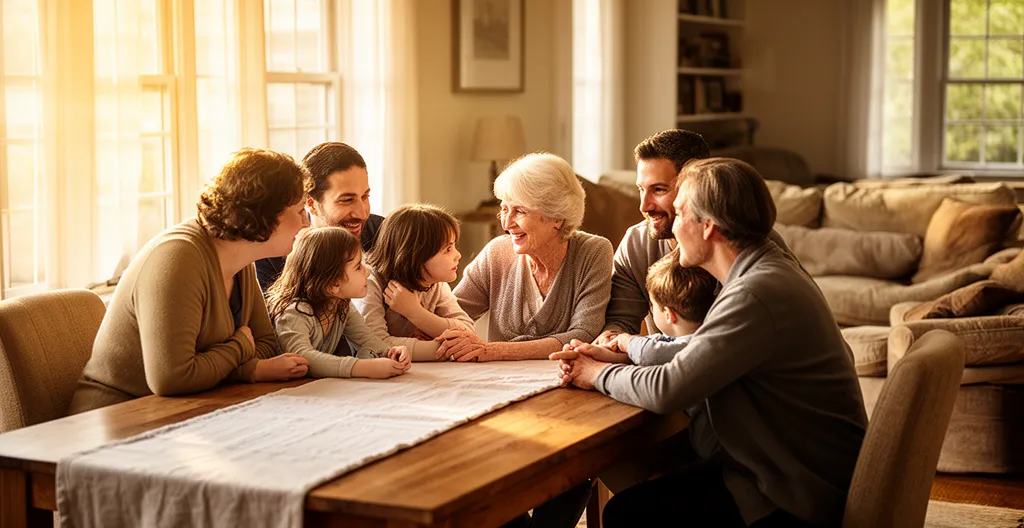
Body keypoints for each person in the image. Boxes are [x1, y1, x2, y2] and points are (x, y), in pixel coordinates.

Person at [553, 158, 867, 528]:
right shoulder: (762, 271)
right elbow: (697, 352)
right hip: (790, 470)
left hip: (798, 496)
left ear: (708, 227)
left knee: (629, 511)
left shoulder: (755, 293)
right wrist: (622, 352)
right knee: (640, 492)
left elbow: (668, 389)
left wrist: (594, 373)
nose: (673, 225)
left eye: (680, 213)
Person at [69, 148, 312, 414]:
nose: (306, 222)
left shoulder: (241, 260)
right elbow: (173, 378)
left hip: (188, 408)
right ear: (266, 214)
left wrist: (243, 367)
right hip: (119, 415)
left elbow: (265, 345)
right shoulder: (178, 258)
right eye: (300, 210)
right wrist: (242, 346)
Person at [439, 152, 614, 362]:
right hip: (499, 377)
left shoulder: (593, 252)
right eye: (504, 209)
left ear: (557, 217)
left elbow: (583, 334)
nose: (507, 224)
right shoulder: (496, 253)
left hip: (565, 375)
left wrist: (492, 351)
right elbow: (451, 315)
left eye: (520, 211)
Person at [594, 129, 710, 347]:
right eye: (641, 189)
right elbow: (620, 321)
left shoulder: (735, 246)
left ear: (695, 187)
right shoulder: (637, 243)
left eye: (658, 190)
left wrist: (631, 346)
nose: (644, 206)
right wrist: (608, 341)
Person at [268, 227, 411, 379]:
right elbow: (300, 357)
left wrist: (391, 352)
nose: (368, 272)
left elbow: (367, 340)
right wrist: (360, 367)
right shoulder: (294, 312)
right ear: (332, 284)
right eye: (358, 267)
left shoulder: (341, 304)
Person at [256, 142, 385, 292]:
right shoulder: (273, 253)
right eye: (347, 200)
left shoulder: (383, 234)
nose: (362, 214)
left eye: (364, 197)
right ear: (311, 203)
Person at [354, 204, 475, 362]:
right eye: (448, 249)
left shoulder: (435, 284)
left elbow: (468, 332)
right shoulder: (369, 282)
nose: (458, 255)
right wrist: (444, 348)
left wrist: (416, 313)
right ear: (417, 255)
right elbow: (374, 345)